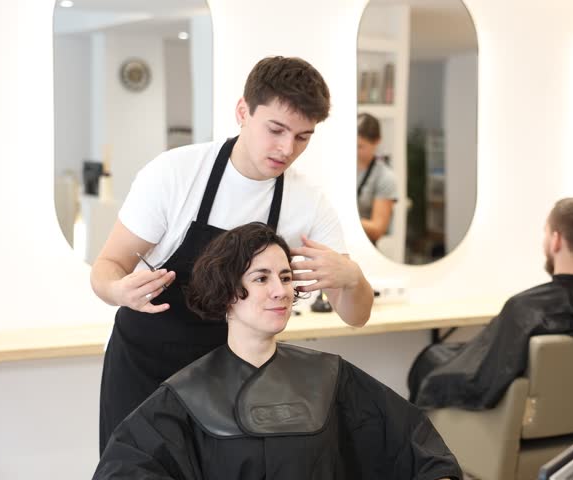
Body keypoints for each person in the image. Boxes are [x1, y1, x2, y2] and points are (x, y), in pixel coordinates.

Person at [90, 56, 374, 452]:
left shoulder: (307, 203)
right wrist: (119, 291)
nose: (287, 148)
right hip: (145, 364)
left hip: (231, 375)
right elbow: (107, 267)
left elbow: (356, 315)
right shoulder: (175, 174)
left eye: (302, 137)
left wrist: (352, 277)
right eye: (276, 129)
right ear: (243, 111)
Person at [93, 223, 461, 480]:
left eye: (285, 278)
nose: (280, 291)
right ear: (226, 294)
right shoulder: (185, 397)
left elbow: (418, 447)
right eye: (261, 278)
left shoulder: (329, 378)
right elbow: (123, 468)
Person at [409, 198, 573, 409]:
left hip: (503, 427)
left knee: (430, 363)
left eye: (546, 233)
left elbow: (483, 381)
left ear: (556, 240)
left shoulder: (524, 308)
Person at [356, 112, 398, 243]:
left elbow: (377, 229)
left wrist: (344, 217)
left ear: (377, 141)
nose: (354, 151)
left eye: (360, 146)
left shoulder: (386, 178)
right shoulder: (338, 168)